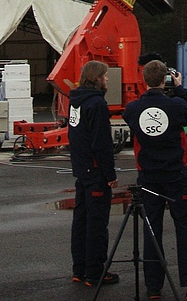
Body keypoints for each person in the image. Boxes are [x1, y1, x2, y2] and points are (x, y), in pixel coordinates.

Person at [123, 59, 187, 301]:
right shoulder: (175, 106)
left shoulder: (133, 109)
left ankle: (153, 286)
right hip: (175, 175)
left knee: (152, 230)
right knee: (184, 228)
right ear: (165, 80)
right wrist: (180, 89)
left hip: (148, 176)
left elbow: (130, 118)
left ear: (143, 81)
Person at [68, 60, 119, 288]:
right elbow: (101, 143)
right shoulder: (97, 104)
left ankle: (79, 269)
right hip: (96, 172)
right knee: (97, 224)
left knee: (81, 221)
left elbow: (75, 136)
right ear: (97, 77)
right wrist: (110, 174)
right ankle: (95, 272)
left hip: (82, 170)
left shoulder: (76, 102)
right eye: (105, 76)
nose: (107, 79)